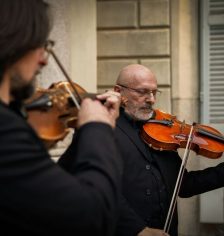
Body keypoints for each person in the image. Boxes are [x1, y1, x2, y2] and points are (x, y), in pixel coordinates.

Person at [0, 0, 123, 235]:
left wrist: (84, 134)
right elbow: (94, 216)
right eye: (41, 45)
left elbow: (50, 188)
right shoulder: (5, 130)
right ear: (14, 44)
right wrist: (98, 129)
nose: (44, 60)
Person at [113, 64, 224, 236]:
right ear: (119, 92)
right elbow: (100, 189)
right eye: (142, 92)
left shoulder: (163, 132)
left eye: (154, 92)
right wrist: (137, 230)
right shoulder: (104, 130)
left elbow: (184, 185)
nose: (151, 99)